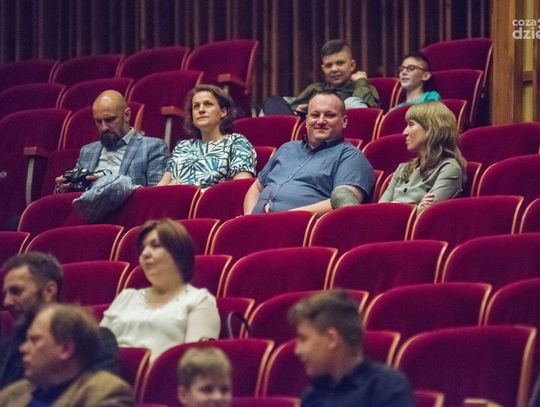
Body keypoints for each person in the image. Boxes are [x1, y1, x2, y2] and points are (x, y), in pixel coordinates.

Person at [101, 218, 220, 361]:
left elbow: (195, 364)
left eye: (155, 245)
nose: (145, 254)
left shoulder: (199, 300)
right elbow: (94, 350)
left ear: (178, 253)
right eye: (142, 248)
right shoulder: (125, 297)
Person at [0, 252, 119, 390]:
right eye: (5, 294)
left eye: (16, 291)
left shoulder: (94, 340)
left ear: (49, 291)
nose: (7, 302)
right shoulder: (6, 347)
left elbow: (99, 395)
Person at [244, 91, 375, 216]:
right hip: (257, 225)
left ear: (344, 121)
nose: (321, 121)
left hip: (300, 227)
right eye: (315, 115)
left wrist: (286, 217)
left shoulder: (350, 157)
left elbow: (344, 203)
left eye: (329, 115)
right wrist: (249, 218)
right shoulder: (287, 149)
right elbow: (256, 187)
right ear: (306, 121)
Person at [288, 290, 414, 406]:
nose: (297, 350)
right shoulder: (312, 394)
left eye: (303, 339)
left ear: (332, 339)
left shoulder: (386, 386)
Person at [0, 304, 134, 406]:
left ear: (65, 349)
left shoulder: (104, 393)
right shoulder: (12, 393)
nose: (23, 349)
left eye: (35, 340)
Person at [55, 90, 168, 192]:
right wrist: (64, 187)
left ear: (127, 115)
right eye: (98, 121)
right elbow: (75, 193)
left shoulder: (152, 147)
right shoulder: (87, 151)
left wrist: (106, 184)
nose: (104, 127)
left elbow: (155, 195)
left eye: (109, 120)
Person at [158, 84, 256, 189]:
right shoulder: (182, 147)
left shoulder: (237, 142)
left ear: (223, 112)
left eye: (208, 104)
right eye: (196, 106)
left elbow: (241, 187)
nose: (201, 110)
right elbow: (160, 188)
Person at [379, 101, 466, 212]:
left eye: (411, 124)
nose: (404, 132)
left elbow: (426, 214)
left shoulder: (449, 168)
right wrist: (416, 206)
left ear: (431, 128)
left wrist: (395, 206)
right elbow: (379, 211)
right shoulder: (402, 169)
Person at [263, 39, 379, 116]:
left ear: (352, 65)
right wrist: (305, 109)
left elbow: (367, 112)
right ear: (323, 69)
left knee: (351, 103)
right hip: (310, 130)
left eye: (340, 63)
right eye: (329, 65)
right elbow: (293, 107)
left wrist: (361, 82)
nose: (334, 69)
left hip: (343, 132)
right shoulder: (316, 88)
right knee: (273, 101)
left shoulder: (363, 87)